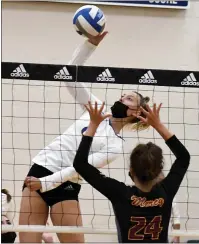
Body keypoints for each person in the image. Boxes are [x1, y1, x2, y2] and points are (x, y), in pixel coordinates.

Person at [19, 32, 150, 243]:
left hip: (65, 183)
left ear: (135, 113)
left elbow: (79, 167)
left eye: (129, 98)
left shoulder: (115, 146)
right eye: (122, 95)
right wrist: (91, 44)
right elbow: (70, 75)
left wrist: (44, 183)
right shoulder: (97, 107)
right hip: (41, 168)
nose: (121, 98)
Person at [73, 101, 190, 243]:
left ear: (131, 170)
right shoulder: (166, 192)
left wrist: (93, 125)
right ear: (159, 170)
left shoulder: (120, 193)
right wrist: (157, 125)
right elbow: (184, 158)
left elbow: (80, 164)